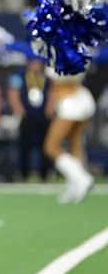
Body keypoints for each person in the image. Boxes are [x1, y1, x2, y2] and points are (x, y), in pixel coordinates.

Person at [43, 64, 96, 203]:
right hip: (83, 97)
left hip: (70, 102)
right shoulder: (78, 50)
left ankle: (81, 178)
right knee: (74, 142)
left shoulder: (61, 51)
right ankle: (75, 187)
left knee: (51, 147)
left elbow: (57, 82)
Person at [7, 57, 51, 182]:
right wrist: (19, 110)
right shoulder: (19, 77)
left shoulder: (47, 78)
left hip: (43, 116)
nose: (35, 66)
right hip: (26, 116)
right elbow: (13, 93)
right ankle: (23, 173)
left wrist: (50, 110)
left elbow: (53, 93)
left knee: (45, 146)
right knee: (24, 146)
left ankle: (45, 174)